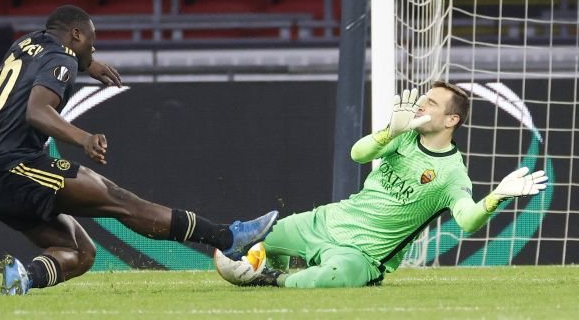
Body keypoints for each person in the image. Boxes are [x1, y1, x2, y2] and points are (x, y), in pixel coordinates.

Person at [0, 5, 278, 295]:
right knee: (121, 201)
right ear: (75, 34)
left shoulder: (28, 43)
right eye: (91, 41)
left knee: (82, 253)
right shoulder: (63, 59)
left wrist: (88, 63)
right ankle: (228, 238)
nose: (93, 47)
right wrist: (84, 138)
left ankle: (22, 278)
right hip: (13, 168)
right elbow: (38, 111)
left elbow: (43, 69)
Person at [214, 81, 548, 288]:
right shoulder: (402, 137)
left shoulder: (452, 174)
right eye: (424, 97)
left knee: (327, 279)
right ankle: (274, 265)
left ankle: (274, 279)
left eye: (431, 103)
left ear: (451, 120)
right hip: (324, 222)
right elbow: (358, 153)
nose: (421, 104)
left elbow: (468, 221)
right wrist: (391, 131)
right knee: (256, 241)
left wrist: (497, 196)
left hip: (362, 254)